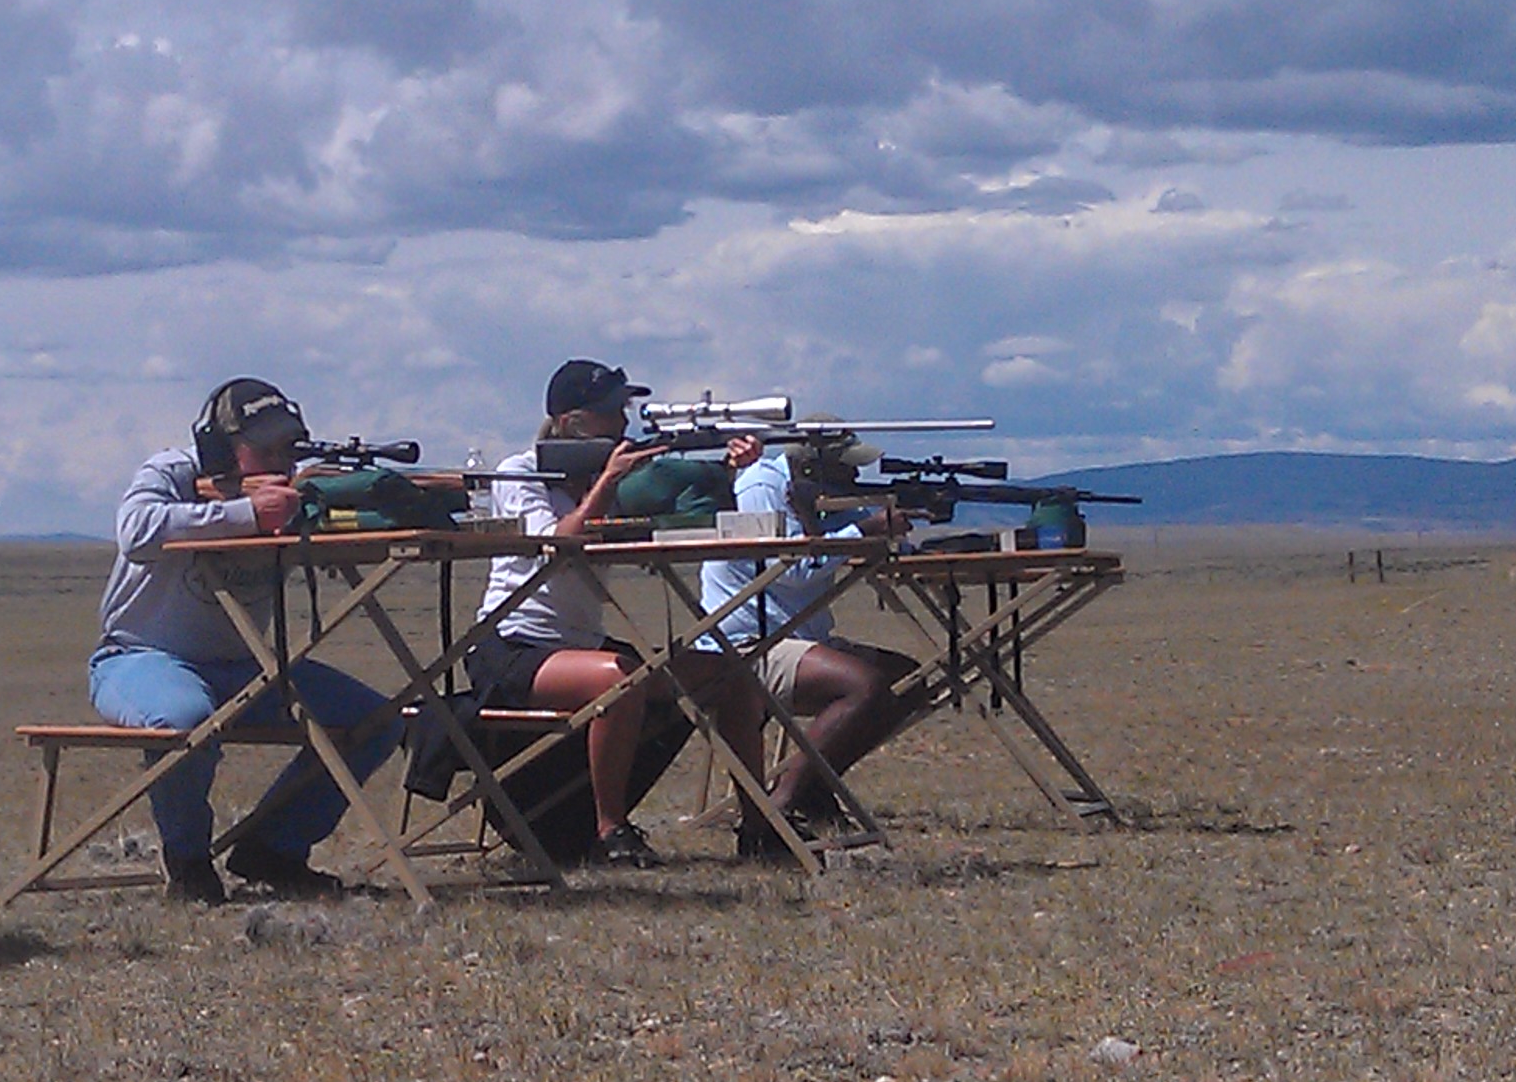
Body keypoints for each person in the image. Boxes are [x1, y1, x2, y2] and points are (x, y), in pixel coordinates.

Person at [92, 377, 399, 903]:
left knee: (374, 721)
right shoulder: (173, 470)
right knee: (184, 720)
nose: (280, 461)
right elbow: (137, 531)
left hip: (245, 667)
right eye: (266, 448)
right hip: (142, 656)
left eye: (289, 448)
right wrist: (246, 514)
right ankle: (188, 861)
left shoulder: (295, 490)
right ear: (222, 448)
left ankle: (274, 849)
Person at [471, 359, 765, 867]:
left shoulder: (595, 475)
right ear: (574, 424)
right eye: (612, 413)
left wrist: (729, 471)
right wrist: (606, 483)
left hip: (580, 644)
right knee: (621, 681)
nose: (625, 424)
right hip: (517, 645)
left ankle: (762, 822)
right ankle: (610, 830)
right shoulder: (523, 470)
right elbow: (556, 542)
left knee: (728, 677)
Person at [697, 439, 922, 857]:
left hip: (799, 636)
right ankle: (776, 810)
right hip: (752, 639)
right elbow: (792, 567)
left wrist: (889, 528)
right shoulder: (762, 486)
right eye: (843, 470)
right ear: (808, 466)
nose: (852, 480)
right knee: (864, 686)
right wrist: (866, 530)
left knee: (910, 681)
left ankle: (814, 786)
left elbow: (863, 532)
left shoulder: (815, 499)